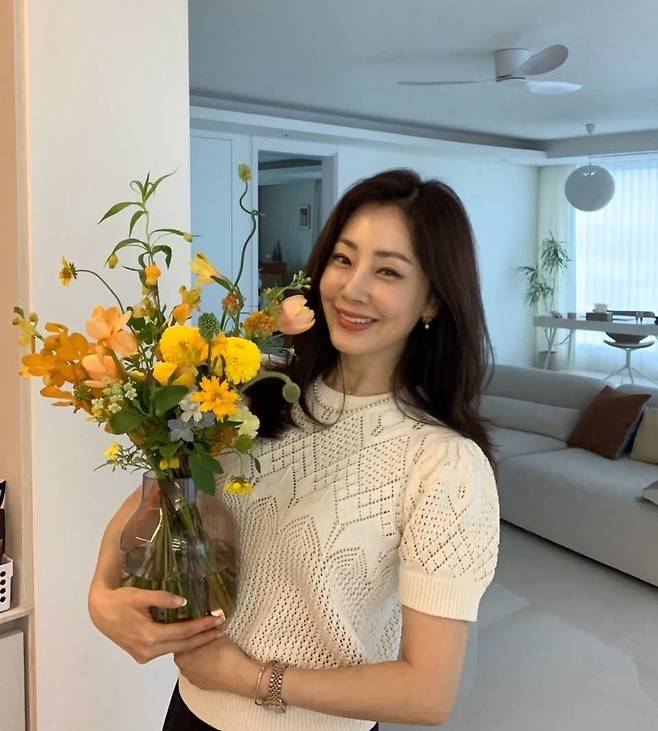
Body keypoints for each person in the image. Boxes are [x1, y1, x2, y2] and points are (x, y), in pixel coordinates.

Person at [88, 168, 500, 731]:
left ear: (432, 300)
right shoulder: (252, 395)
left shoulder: (444, 465)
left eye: (387, 270)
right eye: (343, 259)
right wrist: (102, 595)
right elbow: (160, 496)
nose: (352, 288)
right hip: (190, 714)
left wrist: (249, 679)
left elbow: (427, 693)